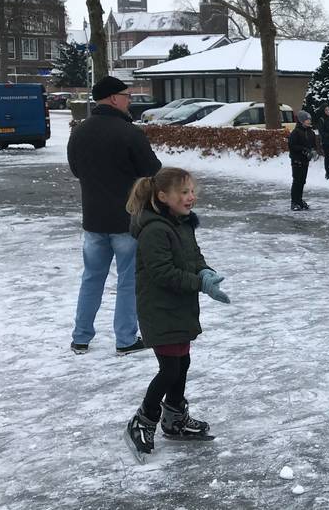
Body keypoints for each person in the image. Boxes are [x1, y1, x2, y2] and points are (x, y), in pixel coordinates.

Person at [123, 167, 230, 462]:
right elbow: (163, 273)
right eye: (184, 192)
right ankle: (143, 419)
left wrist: (205, 271)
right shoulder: (155, 230)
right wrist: (200, 284)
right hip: (160, 309)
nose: (191, 197)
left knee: (182, 363)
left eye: (192, 191)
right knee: (169, 369)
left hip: (179, 307)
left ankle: (175, 417)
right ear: (162, 196)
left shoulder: (182, 224)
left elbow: (192, 256)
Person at [67, 76, 162, 356]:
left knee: (91, 278)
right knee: (128, 280)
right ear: (112, 98)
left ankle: (80, 337)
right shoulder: (129, 133)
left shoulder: (79, 132)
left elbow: (75, 170)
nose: (129, 100)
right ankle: (125, 339)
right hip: (127, 220)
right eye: (127, 96)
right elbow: (152, 169)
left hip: (94, 220)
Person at [287, 111, 318, 211]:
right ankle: (294, 201)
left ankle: (299, 200)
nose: (309, 122)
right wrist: (303, 150)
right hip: (297, 160)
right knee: (297, 181)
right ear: (301, 121)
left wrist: (313, 151)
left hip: (305, 161)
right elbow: (292, 146)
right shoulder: (295, 132)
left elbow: (313, 144)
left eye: (309, 120)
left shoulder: (310, 132)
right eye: (306, 120)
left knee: (302, 181)